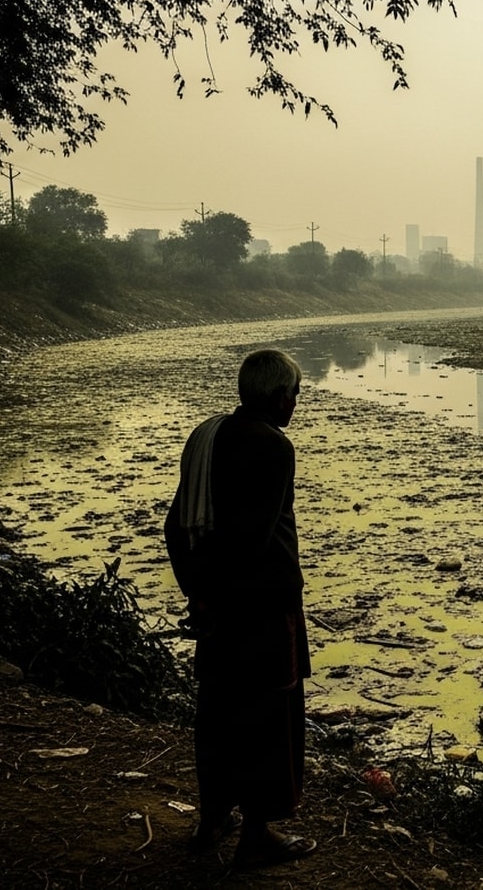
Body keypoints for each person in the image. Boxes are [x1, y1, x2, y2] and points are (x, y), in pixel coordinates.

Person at [164, 349, 317, 868]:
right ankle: (256, 834)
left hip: (214, 602)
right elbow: (252, 539)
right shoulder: (274, 445)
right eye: (295, 395)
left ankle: (213, 817)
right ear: (279, 397)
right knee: (270, 713)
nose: (295, 404)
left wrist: (198, 593)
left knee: (220, 710)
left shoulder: (207, 435)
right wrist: (226, 596)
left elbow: (177, 522)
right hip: (264, 605)